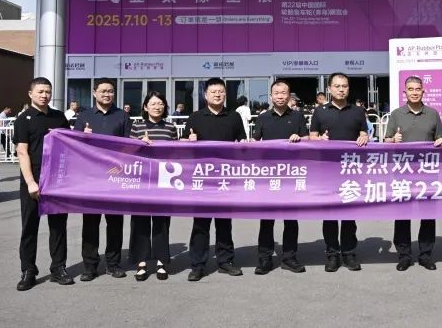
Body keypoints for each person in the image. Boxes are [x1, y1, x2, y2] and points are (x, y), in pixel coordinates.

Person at [13, 77, 73, 291]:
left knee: (58, 227)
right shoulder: (23, 119)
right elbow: (22, 152)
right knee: (30, 227)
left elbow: (69, 145)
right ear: (31, 94)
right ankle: (28, 270)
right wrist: (31, 182)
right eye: (40, 92)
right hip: (33, 181)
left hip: (57, 181)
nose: (44, 95)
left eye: (48, 91)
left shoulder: (59, 117)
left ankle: (58, 268)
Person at [186, 77, 246, 281]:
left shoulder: (234, 117)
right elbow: (183, 144)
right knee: (200, 223)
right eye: (213, 92)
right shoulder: (195, 117)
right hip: (201, 177)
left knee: (224, 222)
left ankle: (225, 261)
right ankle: (198, 265)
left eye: (221, 91)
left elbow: (242, 142)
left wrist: (244, 144)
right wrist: (189, 140)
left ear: (225, 94)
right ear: (206, 95)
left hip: (226, 177)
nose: (218, 95)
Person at [310, 72, 370, 272]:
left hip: (351, 170)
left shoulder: (358, 111)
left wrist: (364, 137)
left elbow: (364, 133)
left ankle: (349, 253)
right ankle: (332, 254)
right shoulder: (320, 112)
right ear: (329, 88)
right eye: (337, 86)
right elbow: (312, 136)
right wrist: (320, 140)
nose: (341, 89)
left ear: (348, 89)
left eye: (344, 86)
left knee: (349, 215)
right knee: (329, 215)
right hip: (327, 170)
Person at [384, 76, 442, 271]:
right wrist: (393, 140)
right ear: (405, 92)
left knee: (428, 215)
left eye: (418, 89)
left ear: (423, 91)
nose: (415, 92)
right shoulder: (396, 114)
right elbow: (386, 141)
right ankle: (404, 256)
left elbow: (441, 138)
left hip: (428, 173)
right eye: (411, 89)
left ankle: (426, 255)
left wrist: (441, 141)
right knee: (402, 215)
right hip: (403, 173)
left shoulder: (433, 114)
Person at [74, 78, 131, 281]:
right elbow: (74, 145)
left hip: (115, 176)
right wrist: (83, 136)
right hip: (90, 178)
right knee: (90, 223)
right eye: (103, 91)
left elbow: (128, 146)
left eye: (111, 91)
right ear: (94, 93)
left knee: (115, 223)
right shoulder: (84, 116)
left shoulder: (122, 116)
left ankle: (113, 264)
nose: (107, 94)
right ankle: (90, 266)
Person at [252, 79, 309, 275]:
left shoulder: (298, 116)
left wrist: (299, 139)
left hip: (291, 176)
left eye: (284, 93)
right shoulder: (262, 118)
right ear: (271, 96)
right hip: (268, 176)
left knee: (291, 219)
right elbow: (255, 142)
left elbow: (308, 140)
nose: (280, 96)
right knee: (266, 220)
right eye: (276, 93)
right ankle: (264, 258)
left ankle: (289, 257)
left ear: (289, 95)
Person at [130, 90, 177, 282]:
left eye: (160, 104)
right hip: (141, 181)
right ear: (145, 107)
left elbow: (176, 153)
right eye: (153, 104)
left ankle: (161, 261)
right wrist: (139, 144)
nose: (157, 107)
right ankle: (141, 262)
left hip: (164, 181)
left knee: (161, 223)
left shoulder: (170, 127)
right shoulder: (137, 126)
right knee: (140, 222)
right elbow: (128, 152)